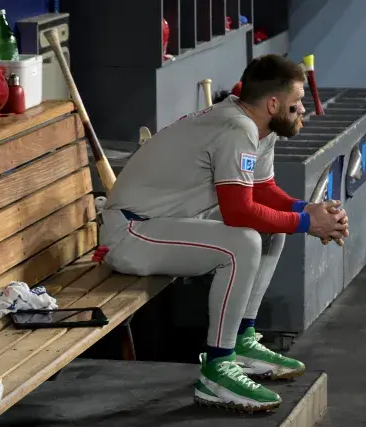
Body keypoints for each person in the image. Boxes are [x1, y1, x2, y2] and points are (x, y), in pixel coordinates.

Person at [96, 54, 349, 412]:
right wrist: (309, 224)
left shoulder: (259, 127)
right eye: (296, 103)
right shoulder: (236, 128)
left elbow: (261, 190)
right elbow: (239, 211)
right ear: (273, 104)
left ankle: (241, 340)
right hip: (131, 234)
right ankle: (217, 370)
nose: (303, 110)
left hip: (163, 223)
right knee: (242, 242)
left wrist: (308, 210)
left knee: (268, 231)